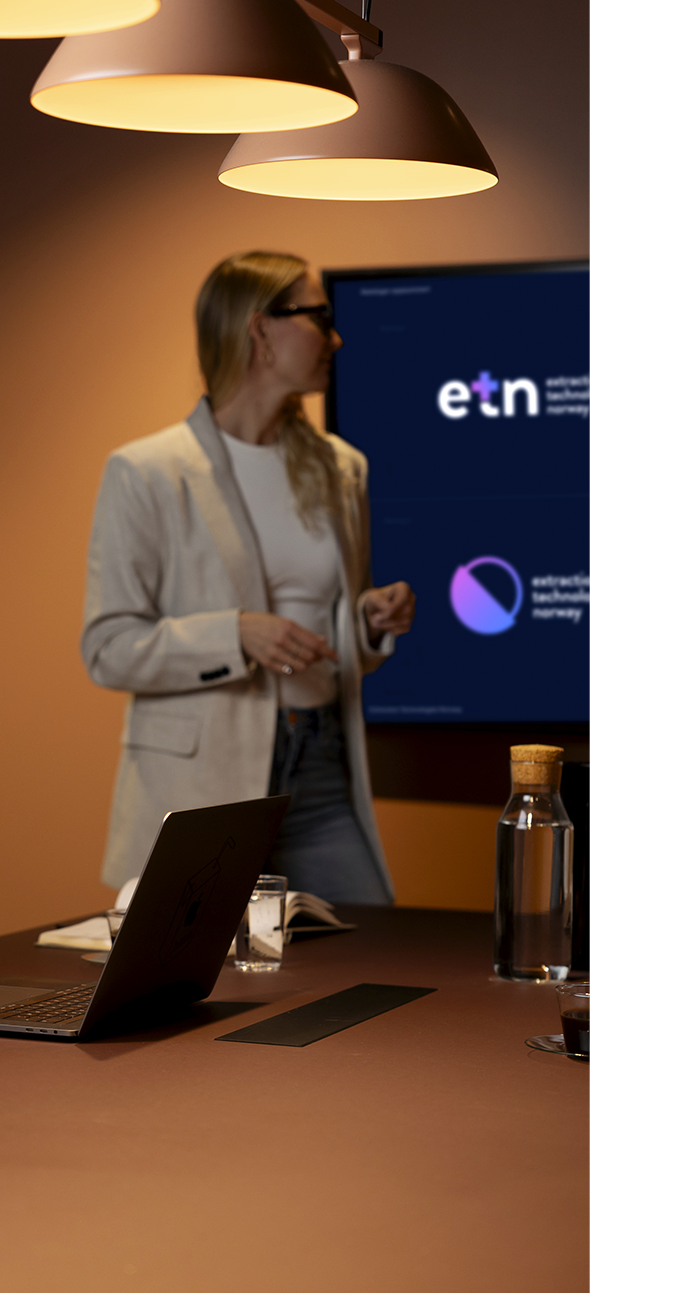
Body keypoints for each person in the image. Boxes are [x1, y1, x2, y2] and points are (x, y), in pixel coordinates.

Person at [83, 251, 416, 902]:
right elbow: (107, 648)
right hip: (202, 786)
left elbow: (334, 635)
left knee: (373, 952)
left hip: (320, 764)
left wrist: (368, 623)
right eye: (320, 316)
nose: (337, 336)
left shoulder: (343, 467)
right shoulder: (145, 471)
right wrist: (236, 635)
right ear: (260, 330)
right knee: (205, 985)